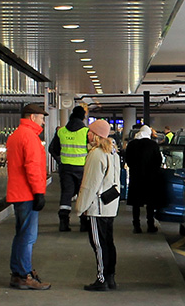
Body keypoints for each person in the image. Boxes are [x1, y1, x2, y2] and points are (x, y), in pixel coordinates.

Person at [6, 103, 51, 290]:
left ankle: (18, 273)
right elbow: (32, 167)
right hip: (27, 192)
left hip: (18, 192)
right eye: (41, 117)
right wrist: (39, 192)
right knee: (28, 237)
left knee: (21, 234)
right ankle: (24, 274)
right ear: (32, 117)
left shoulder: (16, 135)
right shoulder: (30, 137)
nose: (42, 121)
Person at [75, 120, 121, 291]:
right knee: (108, 242)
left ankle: (101, 279)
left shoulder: (96, 154)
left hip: (97, 207)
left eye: (90, 132)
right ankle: (111, 278)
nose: (88, 135)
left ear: (96, 135)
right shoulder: (113, 153)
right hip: (110, 205)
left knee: (98, 244)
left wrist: (80, 207)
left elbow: (90, 184)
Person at [48, 106, 89, 232]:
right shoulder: (86, 132)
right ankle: (83, 223)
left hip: (65, 168)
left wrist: (60, 160)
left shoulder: (61, 132)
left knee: (66, 194)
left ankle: (64, 223)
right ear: (83, 116)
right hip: (83, 169)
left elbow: (52, 149)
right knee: (83, 195)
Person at [125, 125, 167, 233]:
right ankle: (150, 225)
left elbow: (127, 160)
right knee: (150, 204)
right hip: (150, 178)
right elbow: (158, 160)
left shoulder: (132, 144)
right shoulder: (152, 144)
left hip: (135, 178)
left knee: (136, 204)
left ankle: (136, 225)